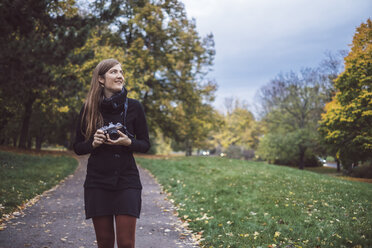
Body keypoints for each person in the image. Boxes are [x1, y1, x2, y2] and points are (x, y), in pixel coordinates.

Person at [73, 58, 150, 248]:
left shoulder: (134, 107)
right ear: (101, 79)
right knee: (105, 243)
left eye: (121, 72)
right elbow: (77, 147)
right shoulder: (89, 108)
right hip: (97, 182)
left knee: (126, 243)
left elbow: (145, 144)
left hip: (127, 180)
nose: (120, 76)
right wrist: (93, 143)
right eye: (114, 72)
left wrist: (128, 142)